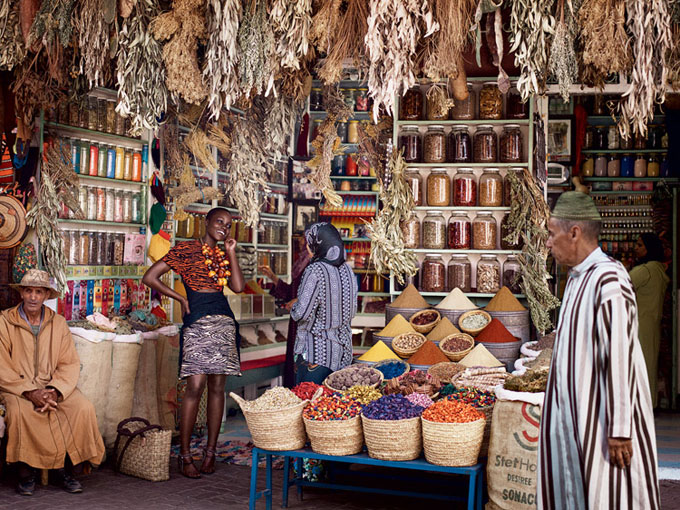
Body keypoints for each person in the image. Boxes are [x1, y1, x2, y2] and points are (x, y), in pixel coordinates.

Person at [538, 192, 659, 509]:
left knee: (610, 495)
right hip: (576, 417)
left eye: (552, 234)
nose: (548, 244)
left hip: (605, 427)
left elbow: (618, 354)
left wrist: (620, 429)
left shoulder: (609, 279)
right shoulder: (578, 278)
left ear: (574, 233)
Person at [143, 207, 245, 479]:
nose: (224, 227)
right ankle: (186, 456)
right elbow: (150, 277)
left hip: (223, 323)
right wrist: (180, 299)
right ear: (207, 222)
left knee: (217, 387)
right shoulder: (185, 250)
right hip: (197, 323)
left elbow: (237, 287)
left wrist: (231, 251)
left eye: (229, 224)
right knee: (195, 385)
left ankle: (210, 453)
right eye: (219, 221)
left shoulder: (223, 255)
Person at [0, 269, 105, 496]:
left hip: (53, 385)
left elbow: (69, 362)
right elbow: (2, 365)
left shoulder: (57, 322)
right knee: (20, 413)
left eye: (39, 292)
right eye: (28, 291)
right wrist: (29, 392)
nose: (33, 297)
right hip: (17, 386)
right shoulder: (5, 322)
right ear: (22, 294)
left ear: (46, 295)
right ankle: (26, 472)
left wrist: (54, 391)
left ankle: (65, 469)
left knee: (81, 407)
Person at [289, 223, 358, 384]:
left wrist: (293, 307)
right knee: (331, 404)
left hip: (316, 354)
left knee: (310, 403)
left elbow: (302, 313)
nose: (307, 246)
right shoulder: (348, 270)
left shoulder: (315, 270)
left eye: (310, 242)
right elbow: (352, 310)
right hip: (342, 353)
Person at [258, 236, 311, 387]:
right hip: (297, 322)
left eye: (305, 240)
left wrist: (300, 301)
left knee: (304, 365)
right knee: (294, 364)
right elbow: (290, 293)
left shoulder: (316, 266)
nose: (301, 243)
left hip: (307, 324)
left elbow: (322, 296)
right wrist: (273, 277)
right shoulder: (302, 265)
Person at [630, 233, 669, 409]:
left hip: (640, 325)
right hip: (651, 324)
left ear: (649, 248)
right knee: (648, 366)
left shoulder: (646, 270)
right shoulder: (659, 269)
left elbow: (622, 282)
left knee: (638, 365)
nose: (635, 248)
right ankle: (648, 404)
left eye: (640, 245)